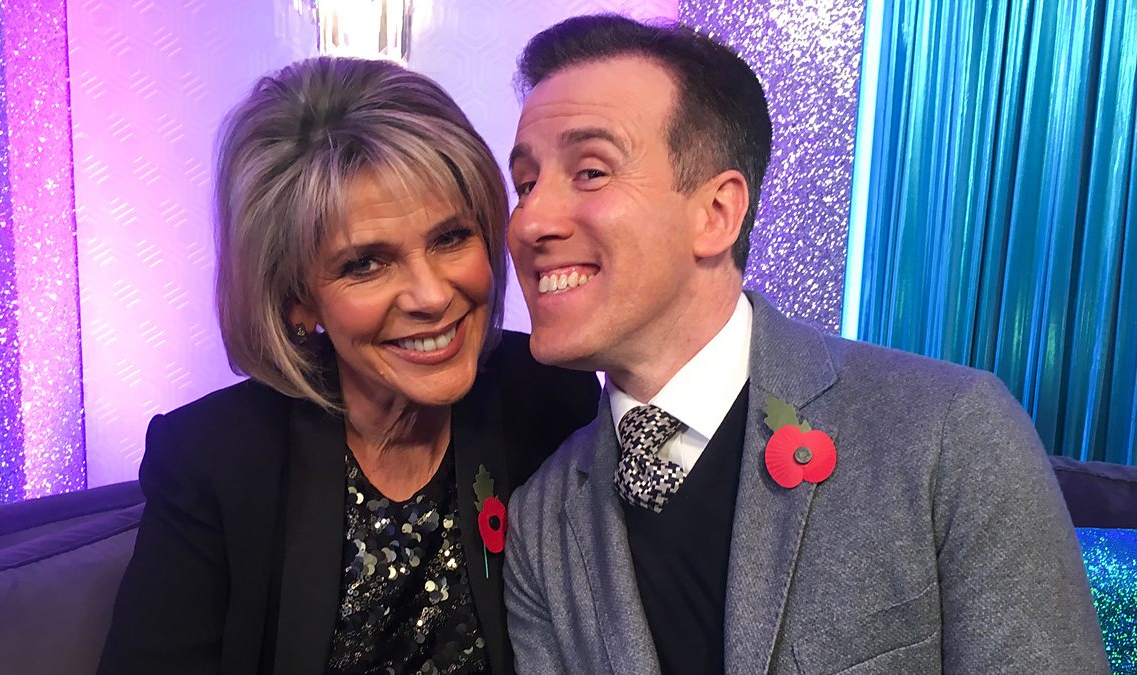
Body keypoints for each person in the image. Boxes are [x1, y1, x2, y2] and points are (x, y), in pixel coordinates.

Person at [502, 14, 1108, 674]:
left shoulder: (950, 431)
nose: (530, 221)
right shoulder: (542, 518)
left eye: (590, 172)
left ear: (717, 214)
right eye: (526, 184)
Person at [97, 56, 599, 675]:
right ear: (296, 299)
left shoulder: (550, 394)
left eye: (450, 238)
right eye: (365, 264)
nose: (431, 296)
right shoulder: (212, 459)